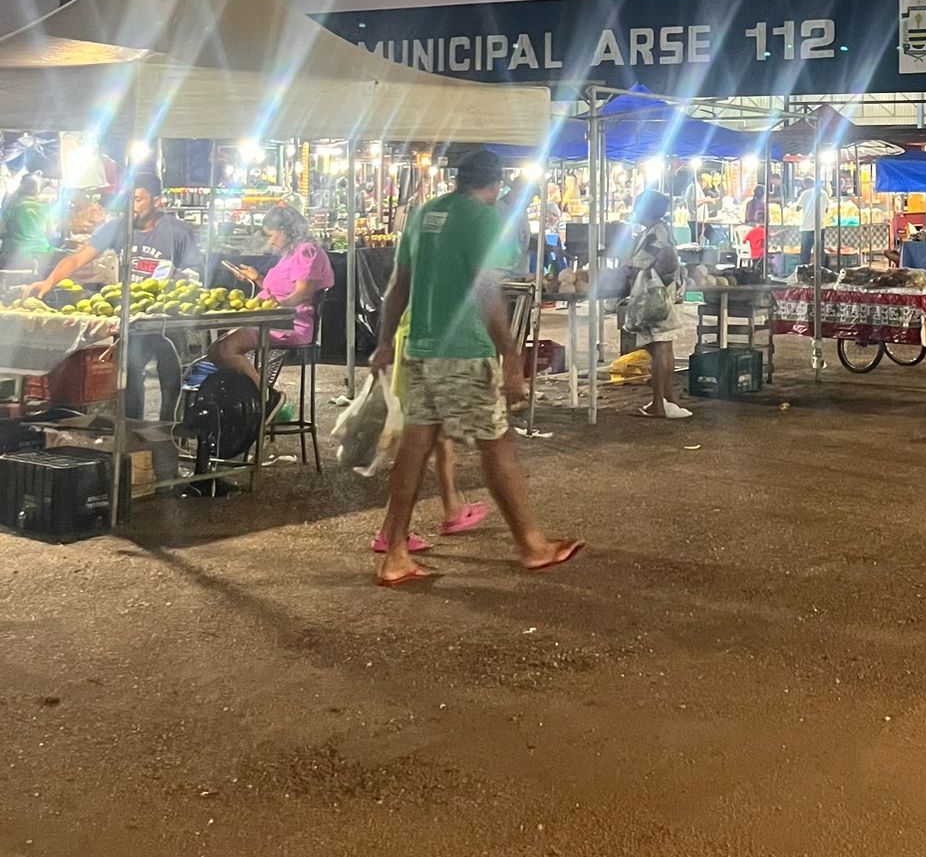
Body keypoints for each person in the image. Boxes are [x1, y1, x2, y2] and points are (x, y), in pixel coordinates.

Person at [370, 146, 581, 585]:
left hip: (421, 347)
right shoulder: (484, 219)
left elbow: (398, 286)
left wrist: (386, 342)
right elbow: (487, 290)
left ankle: (395, 554)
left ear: (458, 177)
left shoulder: (425, 213)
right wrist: (510, 355)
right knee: (496, 444)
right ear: (496, 183)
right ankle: (532, 545)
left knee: (415, 446)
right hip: (463, 347)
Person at [27, 172, 203, 428]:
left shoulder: (178, 231)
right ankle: (132, 432)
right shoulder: (118, 227)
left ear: (157, 201)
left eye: (139, 199)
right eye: (129, 199)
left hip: (167, 318)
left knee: (171, 376)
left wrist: (179, 279)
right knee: (130, 375)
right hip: (131, 317)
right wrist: (49, 281)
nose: (132, 206)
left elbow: (195, 273)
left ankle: (170, 434)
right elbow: (78, 258)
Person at [207, 204, 335, 415]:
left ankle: (266, 398)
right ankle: (252, 399)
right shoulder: (290, 253)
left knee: (227, 348)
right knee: (215, 350)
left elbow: (303, 292)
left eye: (272, 235)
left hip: (290, 324)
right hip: (274, 320)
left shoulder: (306, 251)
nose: (271, 241)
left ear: (285, 230)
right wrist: (257, 278)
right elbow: (280, 290)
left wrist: (276, 309)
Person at [621, 188, 691, 420]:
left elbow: (667, 261)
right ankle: (667, 399)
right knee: (663, 346)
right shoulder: (656, 231)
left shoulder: (657, 233)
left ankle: (659, 403)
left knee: (660, 345)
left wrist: (649, 277)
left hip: (657, 297)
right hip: (662, 295)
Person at [0, 176, 53, 274]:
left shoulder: (13, 204)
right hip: (42, 252)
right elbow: (50, 233)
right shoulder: (44, 206)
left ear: (21, 187)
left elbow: (1, 228)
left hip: (17, 255)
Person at [793, 176, 831, 268]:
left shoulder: (805, 193)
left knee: (805, 253)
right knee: (819, 252)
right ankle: (821, 270)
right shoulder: (823, 193)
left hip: (807, 227)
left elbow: (797, 208)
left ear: (806, 184)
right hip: (820, 227)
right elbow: (827, 210)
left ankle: (804, 271)